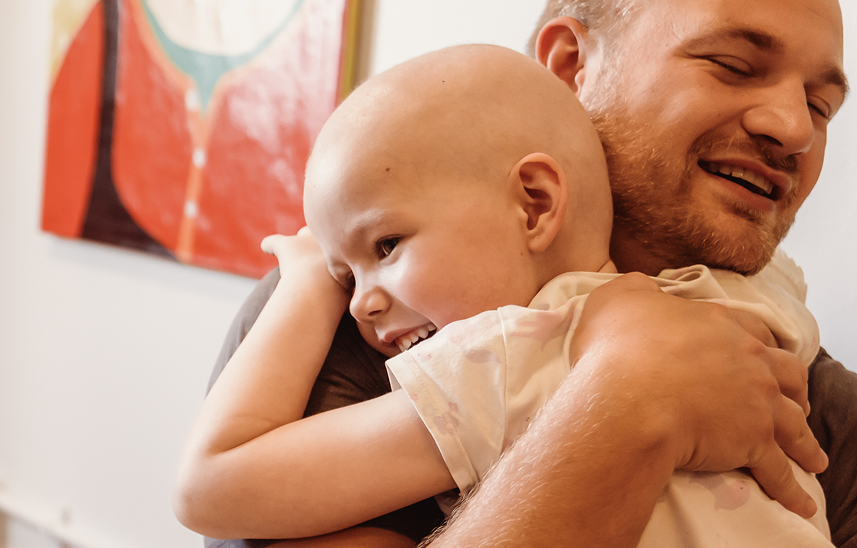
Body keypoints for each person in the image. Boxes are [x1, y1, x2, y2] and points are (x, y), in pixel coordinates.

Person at [196, 0, 857, 546]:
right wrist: (630, 397)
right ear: (571, 65)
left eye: (821, 106)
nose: (794, 128)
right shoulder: (356, 329)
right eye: (732, 64)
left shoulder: (824, 403)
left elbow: (218, 482)